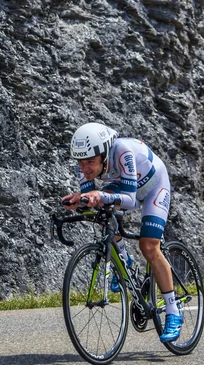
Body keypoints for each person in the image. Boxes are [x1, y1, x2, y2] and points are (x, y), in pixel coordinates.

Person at [61, 122, 182, 343]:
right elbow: (92, 204)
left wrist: (100, 195)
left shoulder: (123, 151)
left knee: (149, 245)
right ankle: (124, 262)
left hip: (153, 186)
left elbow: (130, 199)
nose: (85, 168)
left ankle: (174, 311)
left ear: (104, 155)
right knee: (101, 214)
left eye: (90, 162)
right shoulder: (85, 168)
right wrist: (79, 202)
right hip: (123, 186)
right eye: (80, 162)